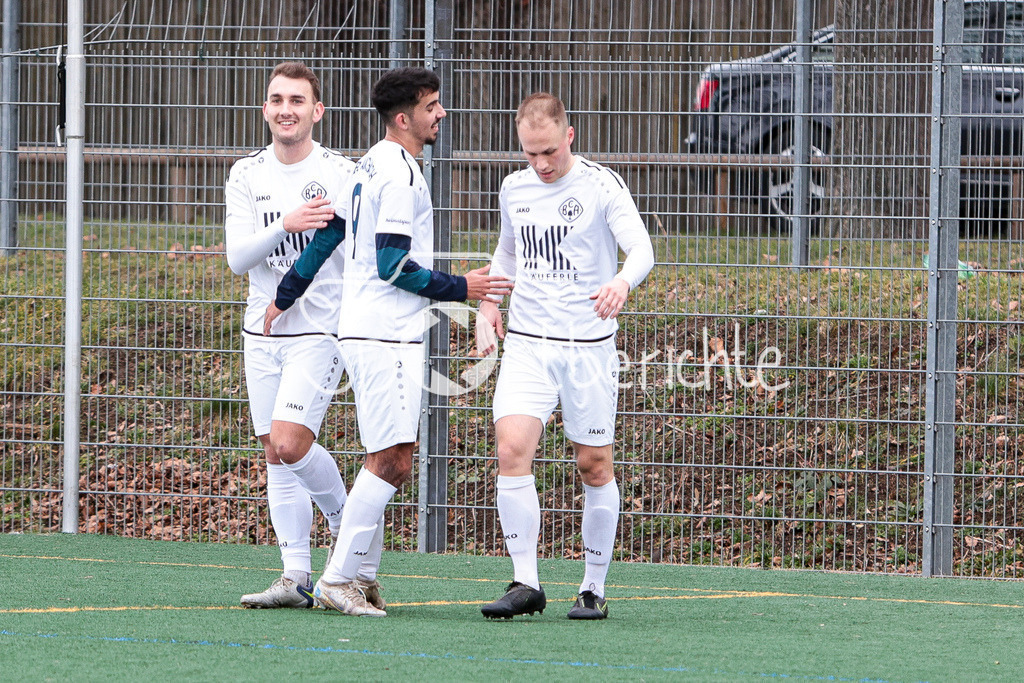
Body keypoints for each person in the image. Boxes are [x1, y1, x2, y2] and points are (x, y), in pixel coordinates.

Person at [266, 66, 513, 616]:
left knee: (392, 455)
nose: (441, 115)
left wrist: (286, 293)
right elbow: (392, 265)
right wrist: (463, 287)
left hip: (364, 329)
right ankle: (337, 578)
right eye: (432, 107)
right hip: (386, 334)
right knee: (394, 459)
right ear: (404, 119)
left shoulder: (364, 165)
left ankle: (359, 576)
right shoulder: (399, 174)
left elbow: (328, 235)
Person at [475, 93, 655, 620]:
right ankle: (525, 582)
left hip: (588, 348)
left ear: (569, 136)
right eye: (530, 154)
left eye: (549, 151)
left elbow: (641, 248)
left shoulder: (601, 185)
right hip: (528, 344)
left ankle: (593, 587)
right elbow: (507, 251)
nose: (541, 164)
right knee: (511, 451)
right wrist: (489, 306)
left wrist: (622, 281)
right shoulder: (515, 188)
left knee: (593, 464)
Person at [224, 61, 356, 609]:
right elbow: (238, 259)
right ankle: (295, 576)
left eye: (297, 101)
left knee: (290, 441)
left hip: (320, 329)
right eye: (277, 100)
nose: (286, 109)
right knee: (273, 455)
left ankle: (351, 524)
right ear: (265, 109)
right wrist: (286, 223)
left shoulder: (343, 173)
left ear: (316, 111)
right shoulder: (246, 174)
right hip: (262, 329)